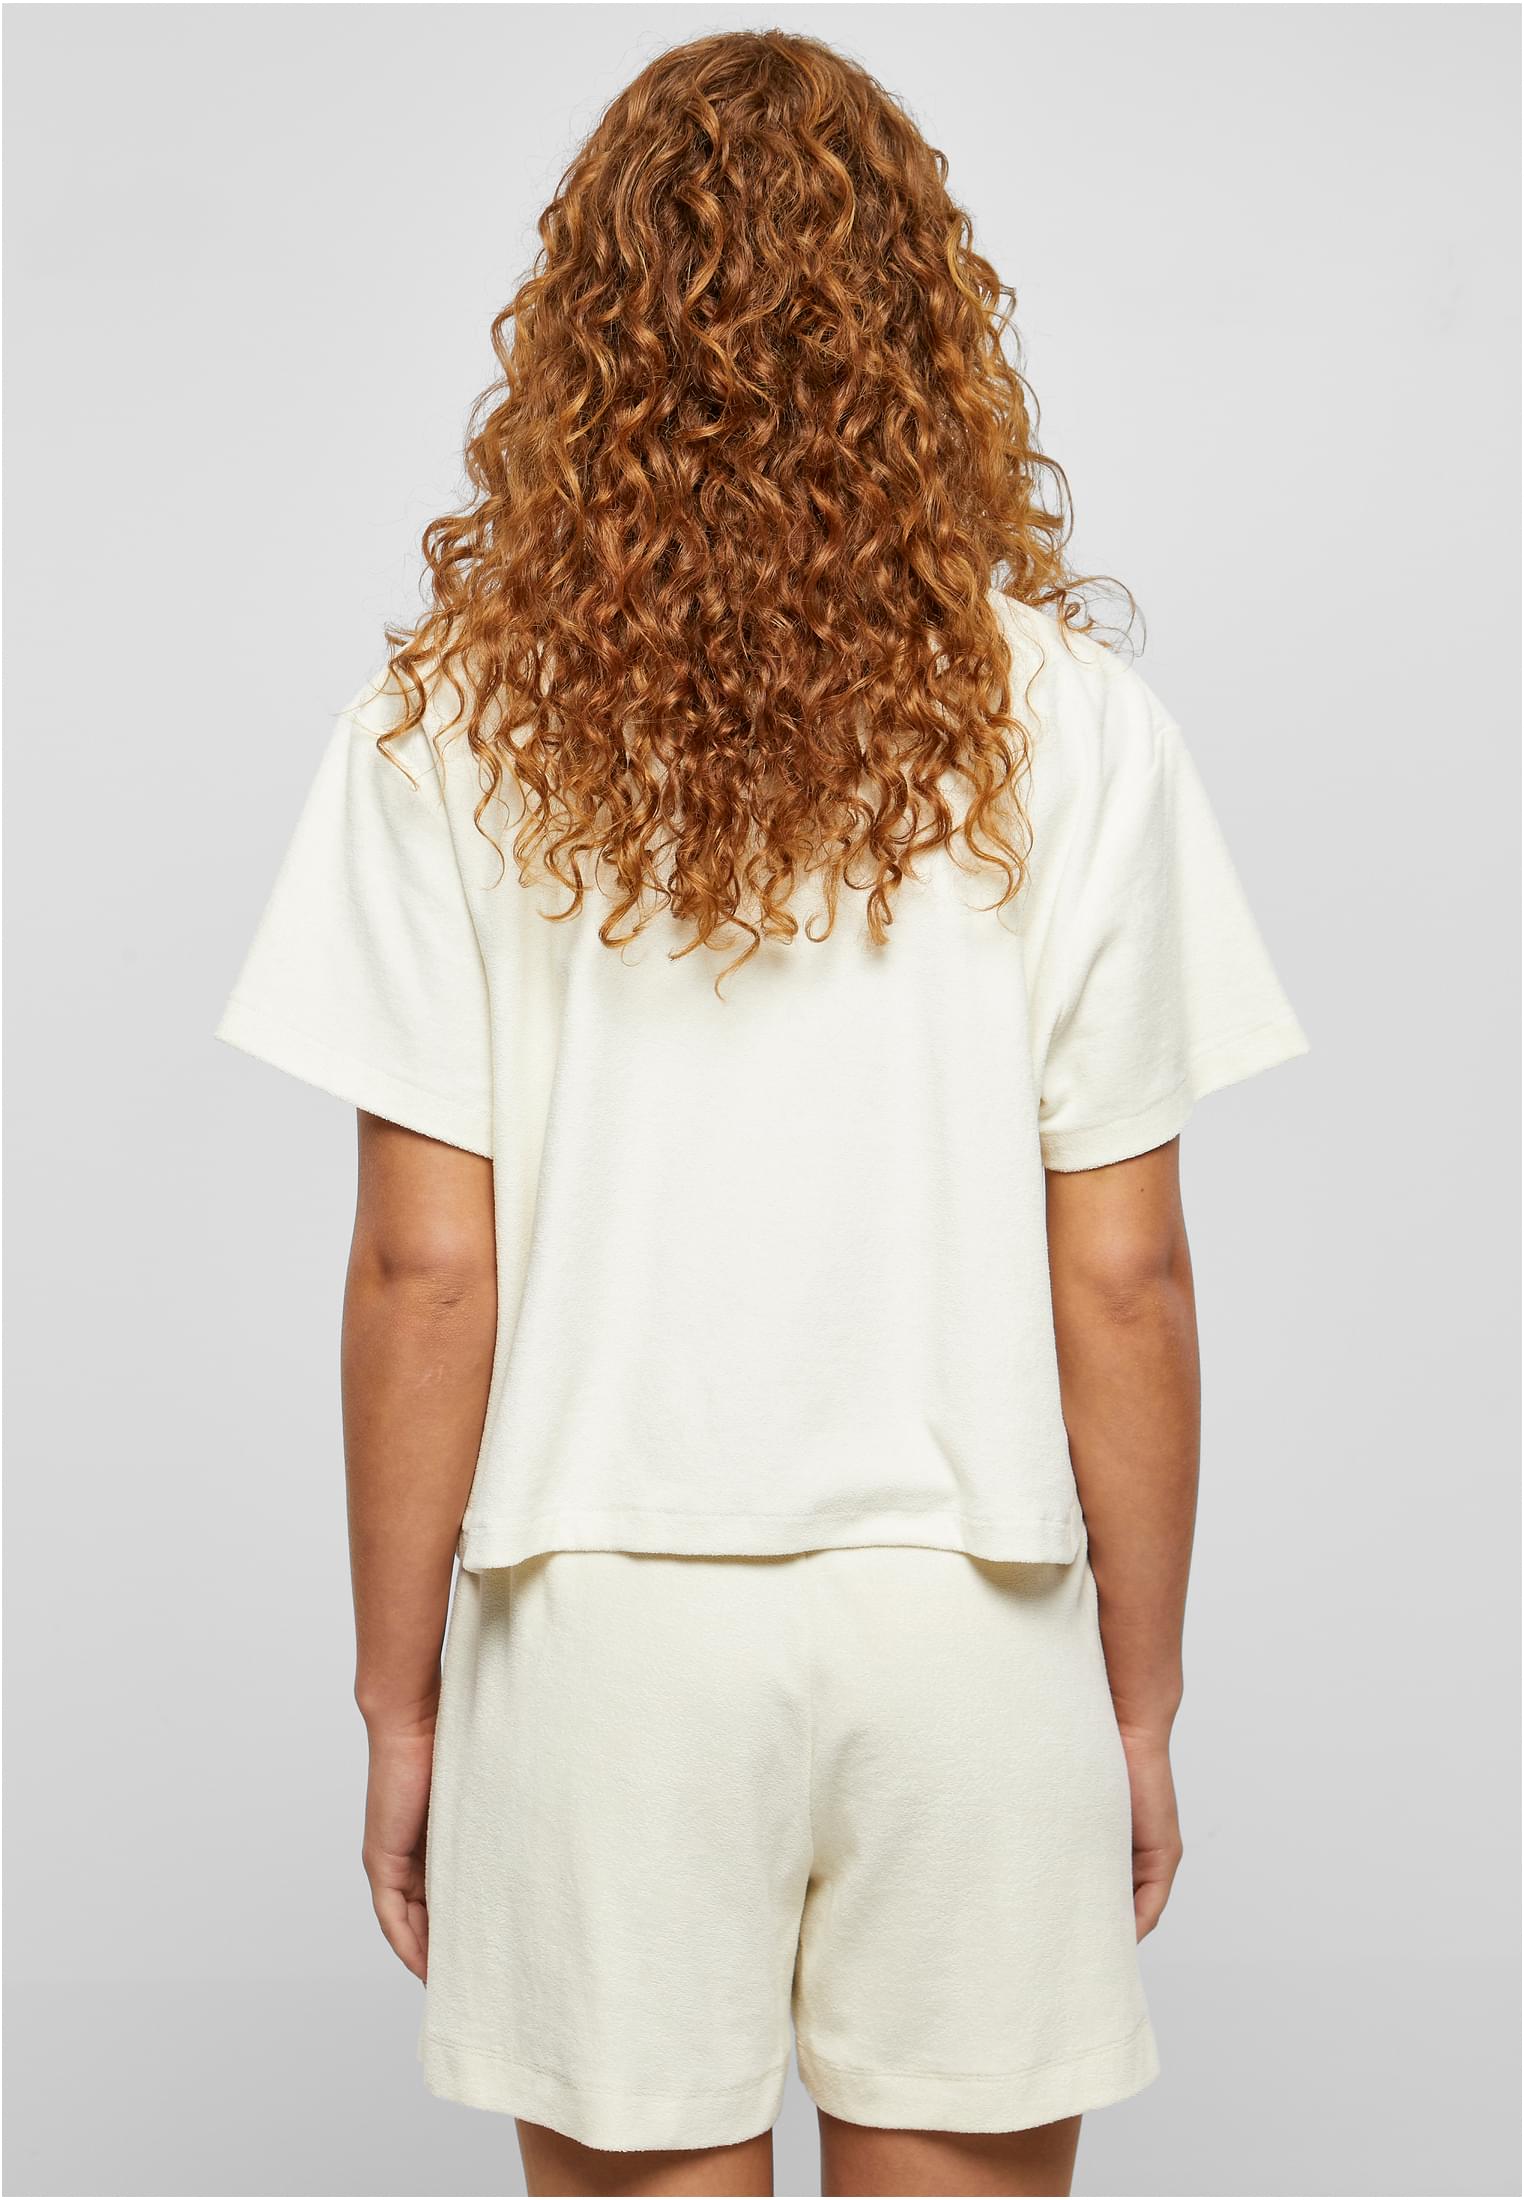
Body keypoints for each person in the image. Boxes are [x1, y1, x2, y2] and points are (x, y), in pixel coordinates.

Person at [217, 28, 1308, 2199]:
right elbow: (1127, 1273)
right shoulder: (1075, 726)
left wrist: (401, 1701)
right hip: (970, 1611)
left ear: (582, 329)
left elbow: (426, 1264)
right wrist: (1139, 1694)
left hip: (601, 1623)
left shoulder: (447, 727)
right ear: (926, 325)